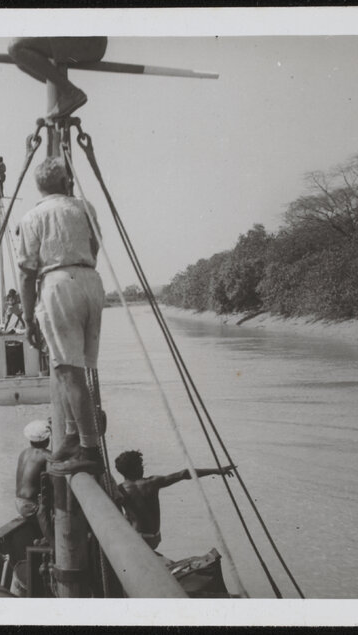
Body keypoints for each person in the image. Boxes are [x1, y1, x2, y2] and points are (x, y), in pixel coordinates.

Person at [15, 157, 105, 474]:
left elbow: (26, 273)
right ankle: (71, 434)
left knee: (69, 371)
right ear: (67, 183)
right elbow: (95, 246)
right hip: (91, 282)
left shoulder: (32, 217)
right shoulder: (85, 207)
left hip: (57, 284)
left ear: (39, 186)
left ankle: (90, 447)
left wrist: (28, 320)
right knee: (72, 365)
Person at [114, 450, 236, 550]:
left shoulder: (119, 490)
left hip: (138, 538)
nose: (143, 468)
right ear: (134, 468)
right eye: (140, 465)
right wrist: (216, 471)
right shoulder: (152, 482)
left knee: (126, 516)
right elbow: (184, 474)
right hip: (154, 538)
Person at [7, 37, 108, 118]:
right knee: (21, 61)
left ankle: (70, 92)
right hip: (89, 42)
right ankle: (64, 92)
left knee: (16, 47)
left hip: (87, 41)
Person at [16, 419, 53, 541]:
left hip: (18, 502)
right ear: (47, 440)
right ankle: (53, 542)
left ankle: (40, 538)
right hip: (31, 506)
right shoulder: (47, 455)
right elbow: (53, 480)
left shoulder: (23, 453)